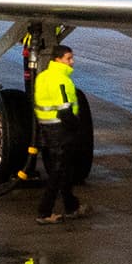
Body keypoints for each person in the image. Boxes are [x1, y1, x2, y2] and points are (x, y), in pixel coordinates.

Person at [31, 44, 84, 223]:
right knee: (58, 172)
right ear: (58, 59)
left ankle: (71, 206)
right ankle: (44, 212)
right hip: (60, 131)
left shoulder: (43, 77)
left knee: (64, 170)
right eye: (69, 58)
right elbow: (64, 111)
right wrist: (77, 126)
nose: (72, 61)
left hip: (46, 128)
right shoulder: (62, 80)